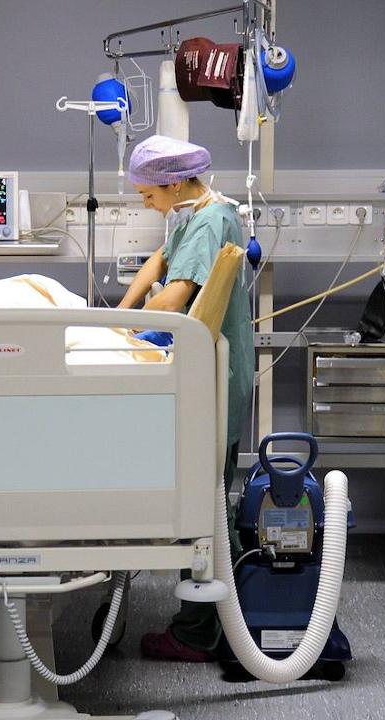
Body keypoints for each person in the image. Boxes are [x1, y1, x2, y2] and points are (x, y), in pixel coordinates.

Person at [116, 134, 254, 662]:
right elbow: (159, 263)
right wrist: (119, 315)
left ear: (173, 182)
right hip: (206, 373)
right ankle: (226, 615)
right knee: (209, 495)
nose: (145, 204)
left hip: (217, 377)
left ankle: (203, 630)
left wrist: (130, 329)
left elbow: (177, 293)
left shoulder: (213, 220)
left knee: (206, 505)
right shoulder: (190, 212)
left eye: (148, 195)